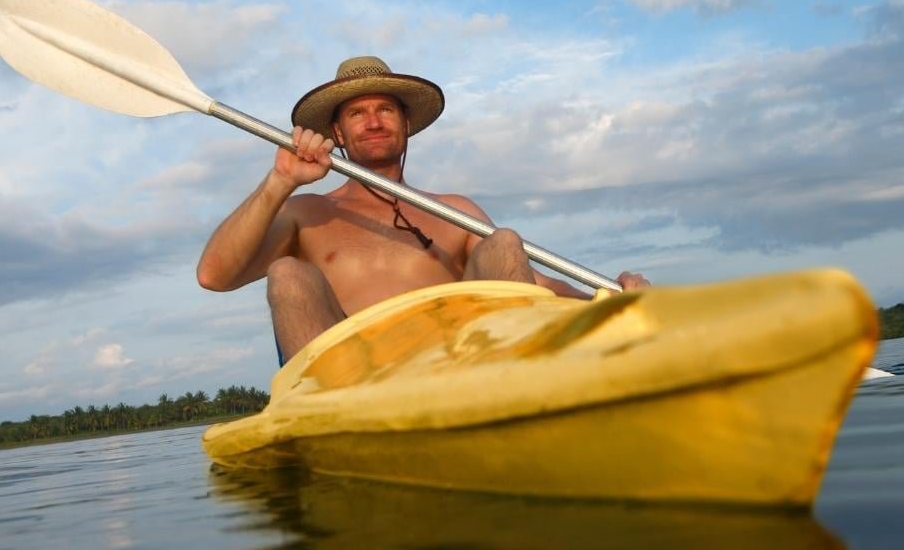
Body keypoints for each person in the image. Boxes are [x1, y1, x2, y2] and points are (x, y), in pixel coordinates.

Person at [196, 56, 648, 360]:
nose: (373, 121)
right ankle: (324, 428)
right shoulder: (305, 211)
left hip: (456, 363)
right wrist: (280, 182)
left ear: (406, 124)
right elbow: (214, 275)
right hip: (347, 376)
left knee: (505, 242)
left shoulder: (455, 210)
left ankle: (524, 388)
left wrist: (607, 298)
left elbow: (533, 281)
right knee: (287, 273)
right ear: (337, 130)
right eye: (357, 113)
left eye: (385, 110)